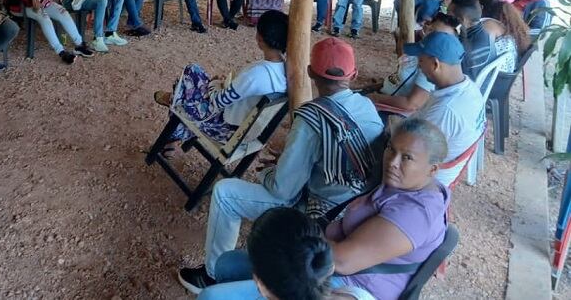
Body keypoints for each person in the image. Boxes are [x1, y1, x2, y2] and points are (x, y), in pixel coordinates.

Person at [177, 38, 384, 293]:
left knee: (225, 193)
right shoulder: (367, 107)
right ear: (354, 74)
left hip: (322, 217)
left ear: (310, 72)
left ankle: (211, 276)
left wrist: (266, 172)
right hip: (357, 212)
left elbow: (283, 189)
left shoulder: (311, 117)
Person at [198, 118, 450, 300]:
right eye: (391, 149)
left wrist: (289, 241)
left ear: (433, 169)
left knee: (211, 297)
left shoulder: (415, 214)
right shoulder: (404, 184)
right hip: (324, 263)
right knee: (227, 264)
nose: (392, 162)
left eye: (407, 157)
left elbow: (342, 261)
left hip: (346, 285)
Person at [152, 10, 288, 151]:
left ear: (260, 38)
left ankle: (173, 101)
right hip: (246, 129)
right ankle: (174, 113)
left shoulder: (257, 74)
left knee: (190, 72)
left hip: (226, 129)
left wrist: (215, 84)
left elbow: (218, 101)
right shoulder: (285, 70)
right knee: (193, 77)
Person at [202, 207, 367, 300]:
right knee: (228, 262)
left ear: (262, 287)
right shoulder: (355, 295)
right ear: (327, 267)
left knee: (209, 296)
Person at [404, 31, 486, 186]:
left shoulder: (445, 111)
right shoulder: (471, 88)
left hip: (423, 181)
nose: (419, 66)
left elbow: (408, 153)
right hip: (436, 161)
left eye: (421, 61)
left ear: (435, 64)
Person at [479, 0, 530, 71]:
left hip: (495, 73)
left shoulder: (490, 26)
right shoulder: (511, 28)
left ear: (481, 7)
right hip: (506, 70)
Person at [448, 0, 497, 82]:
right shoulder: (484, 34)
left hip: (466, 85)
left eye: (448, 14)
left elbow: (446, 73)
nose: (446, 17)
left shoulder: (466, 51)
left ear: (461, 20)